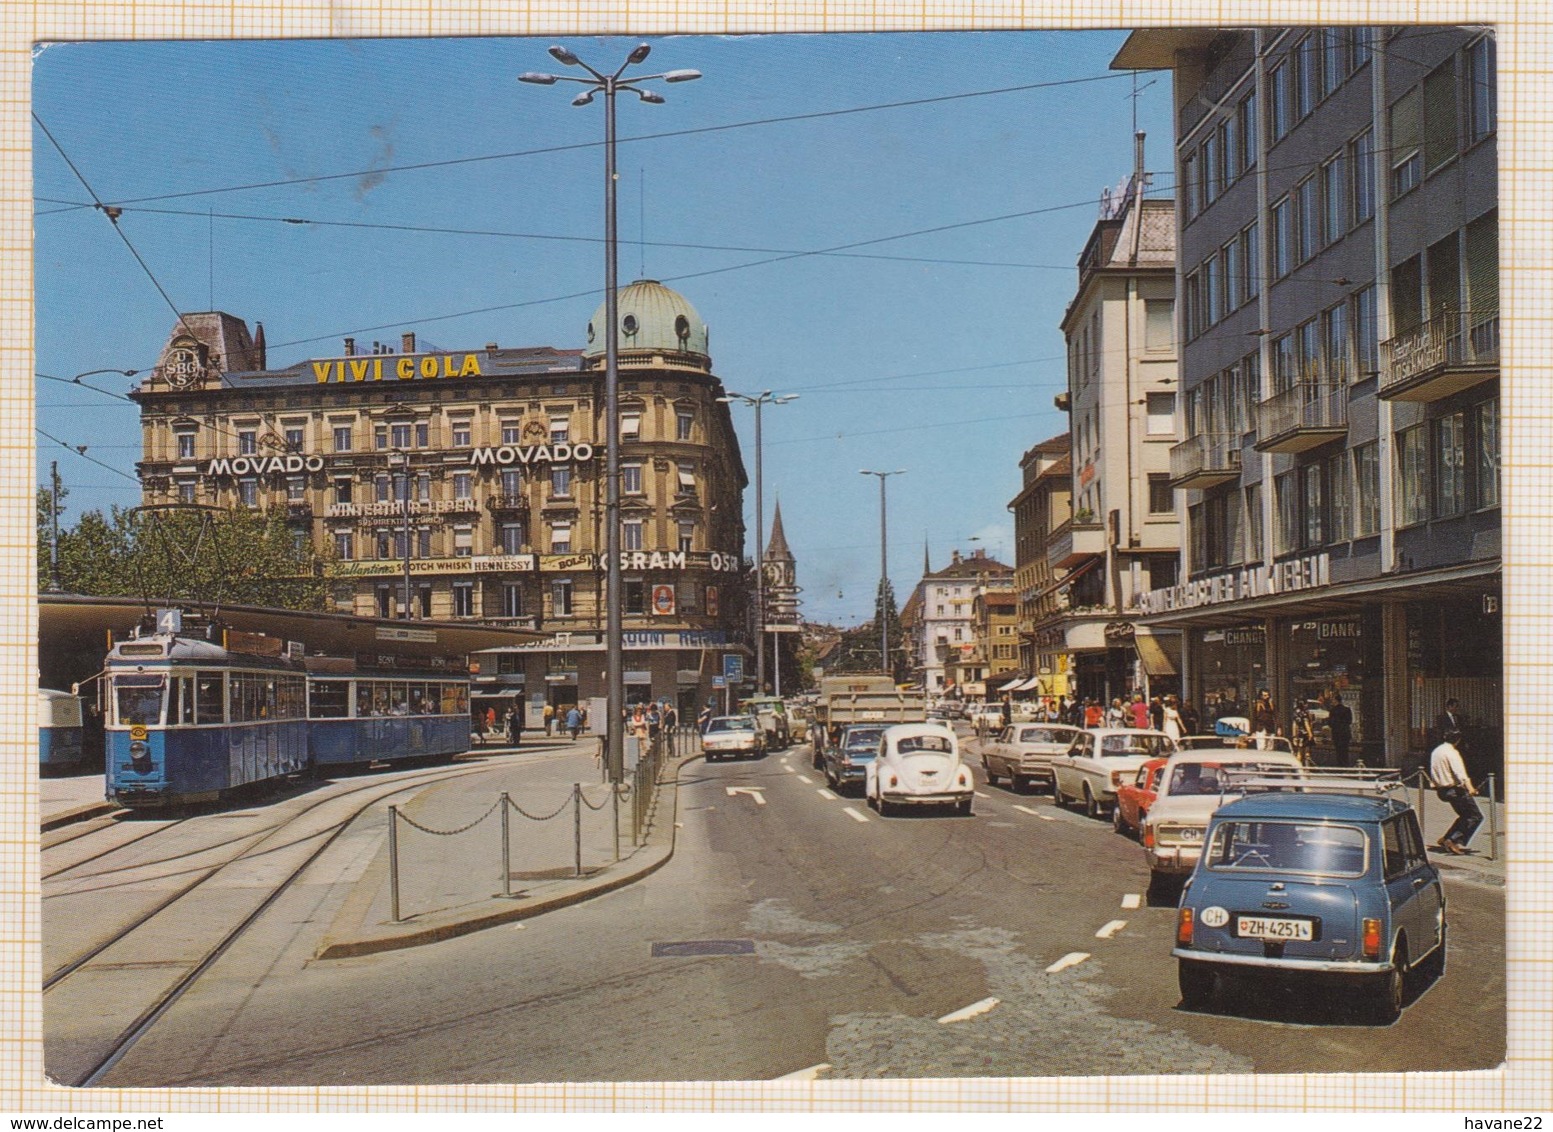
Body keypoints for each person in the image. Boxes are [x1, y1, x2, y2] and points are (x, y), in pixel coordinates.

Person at [1429, 728, 1482, 854]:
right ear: (1458, 740)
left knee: (1465, 815)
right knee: (1475, 816)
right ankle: (1453, 840)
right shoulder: (1452, 753)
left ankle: (1447, 838)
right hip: (1454, 789)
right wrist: (1471, 789)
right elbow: (1460, 773)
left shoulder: (1437, 751)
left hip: (1441, 789)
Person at [1326, 693, 1353, 767]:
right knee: (1345, 749)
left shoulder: (1333, 711)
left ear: (1336, 700)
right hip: (1345, 732)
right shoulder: (1347, 709)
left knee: (1338, 750)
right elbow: (1349, 721)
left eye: (1333, 700)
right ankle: (1346, 764)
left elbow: (1330, 723)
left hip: (1336, 733)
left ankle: (1340, 764)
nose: (1332, 701)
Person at [1290, 700, 1314, 765]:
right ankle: (1306, 767)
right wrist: (1310, 734)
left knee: (1299, 752)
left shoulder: (1295, 713)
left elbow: (1294, 724)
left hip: (1299, 734)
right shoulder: (1305, 713)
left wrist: (1294, 735)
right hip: (1305, 734)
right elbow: (1306, 724)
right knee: (1306, 752)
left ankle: (1298, 767)